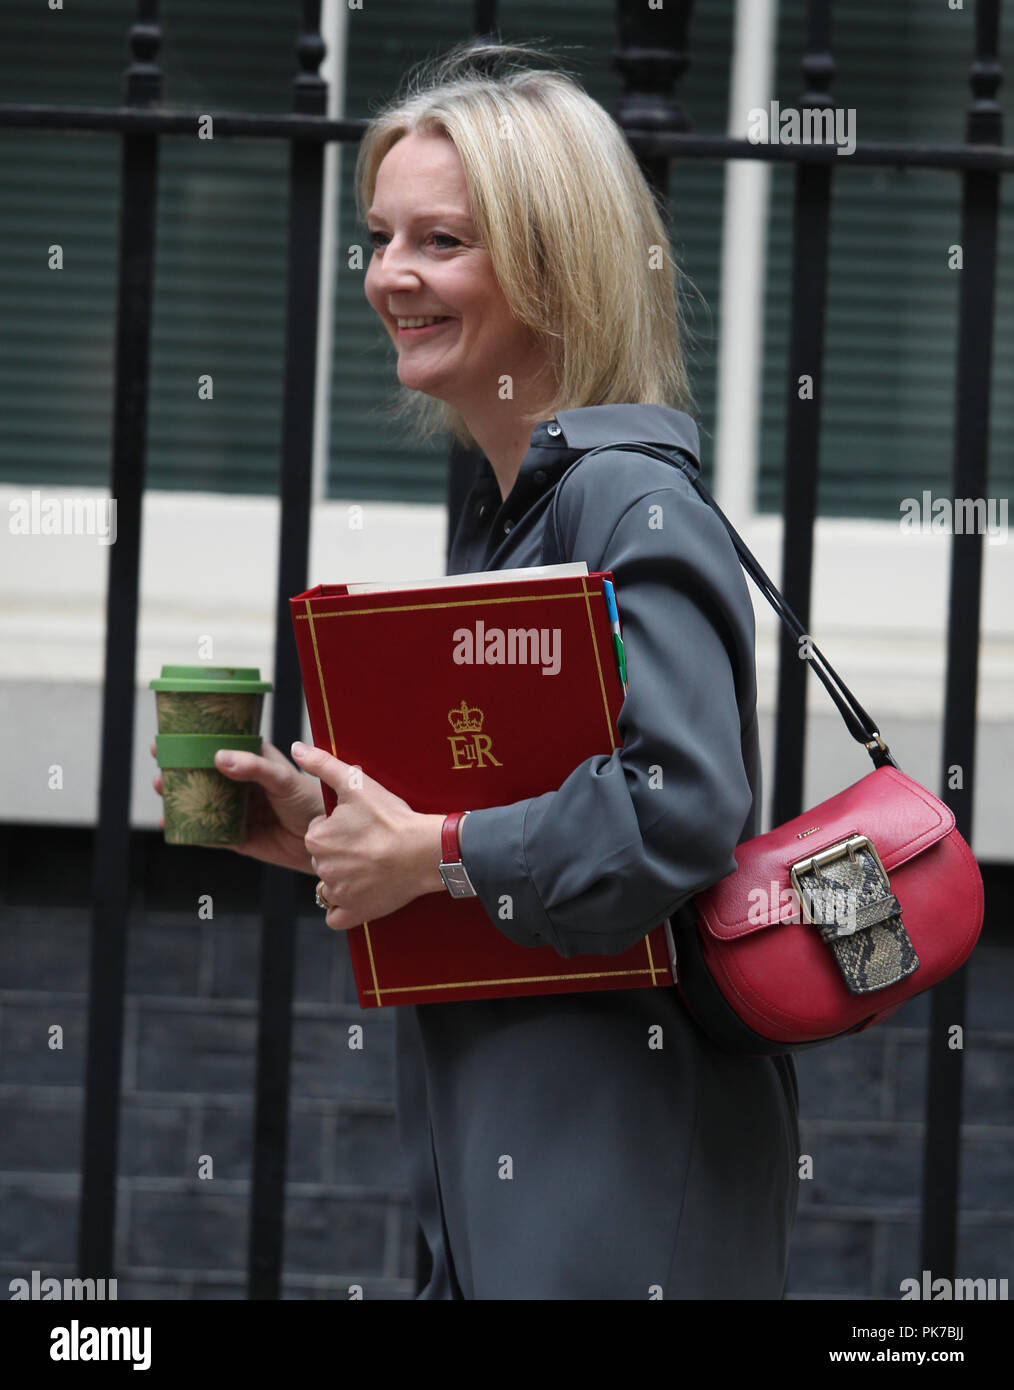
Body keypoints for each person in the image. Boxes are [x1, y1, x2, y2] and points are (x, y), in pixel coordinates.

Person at [152, 39, 800, 1299]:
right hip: (505, 1139)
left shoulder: (623, 498)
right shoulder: (506, 504)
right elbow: (523, 794)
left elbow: (679, 802)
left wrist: (438, 854)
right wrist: (347, 834)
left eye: (441, 242)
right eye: (383, 238)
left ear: (553, 266)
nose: (391, 274)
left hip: (620, 1142)